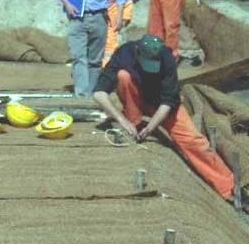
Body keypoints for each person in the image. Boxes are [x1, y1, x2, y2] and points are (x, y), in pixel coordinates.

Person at [92, 34, 235, 202]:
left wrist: (150, 127)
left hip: (163, 105)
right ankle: (134, 121)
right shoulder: (124, 54)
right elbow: (99, 93)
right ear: (137, 53)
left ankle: (228, 187)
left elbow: (168, 102)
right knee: (123, 76)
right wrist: (123, 122)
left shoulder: (166, 57)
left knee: (193, 141)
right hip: (137, 100)